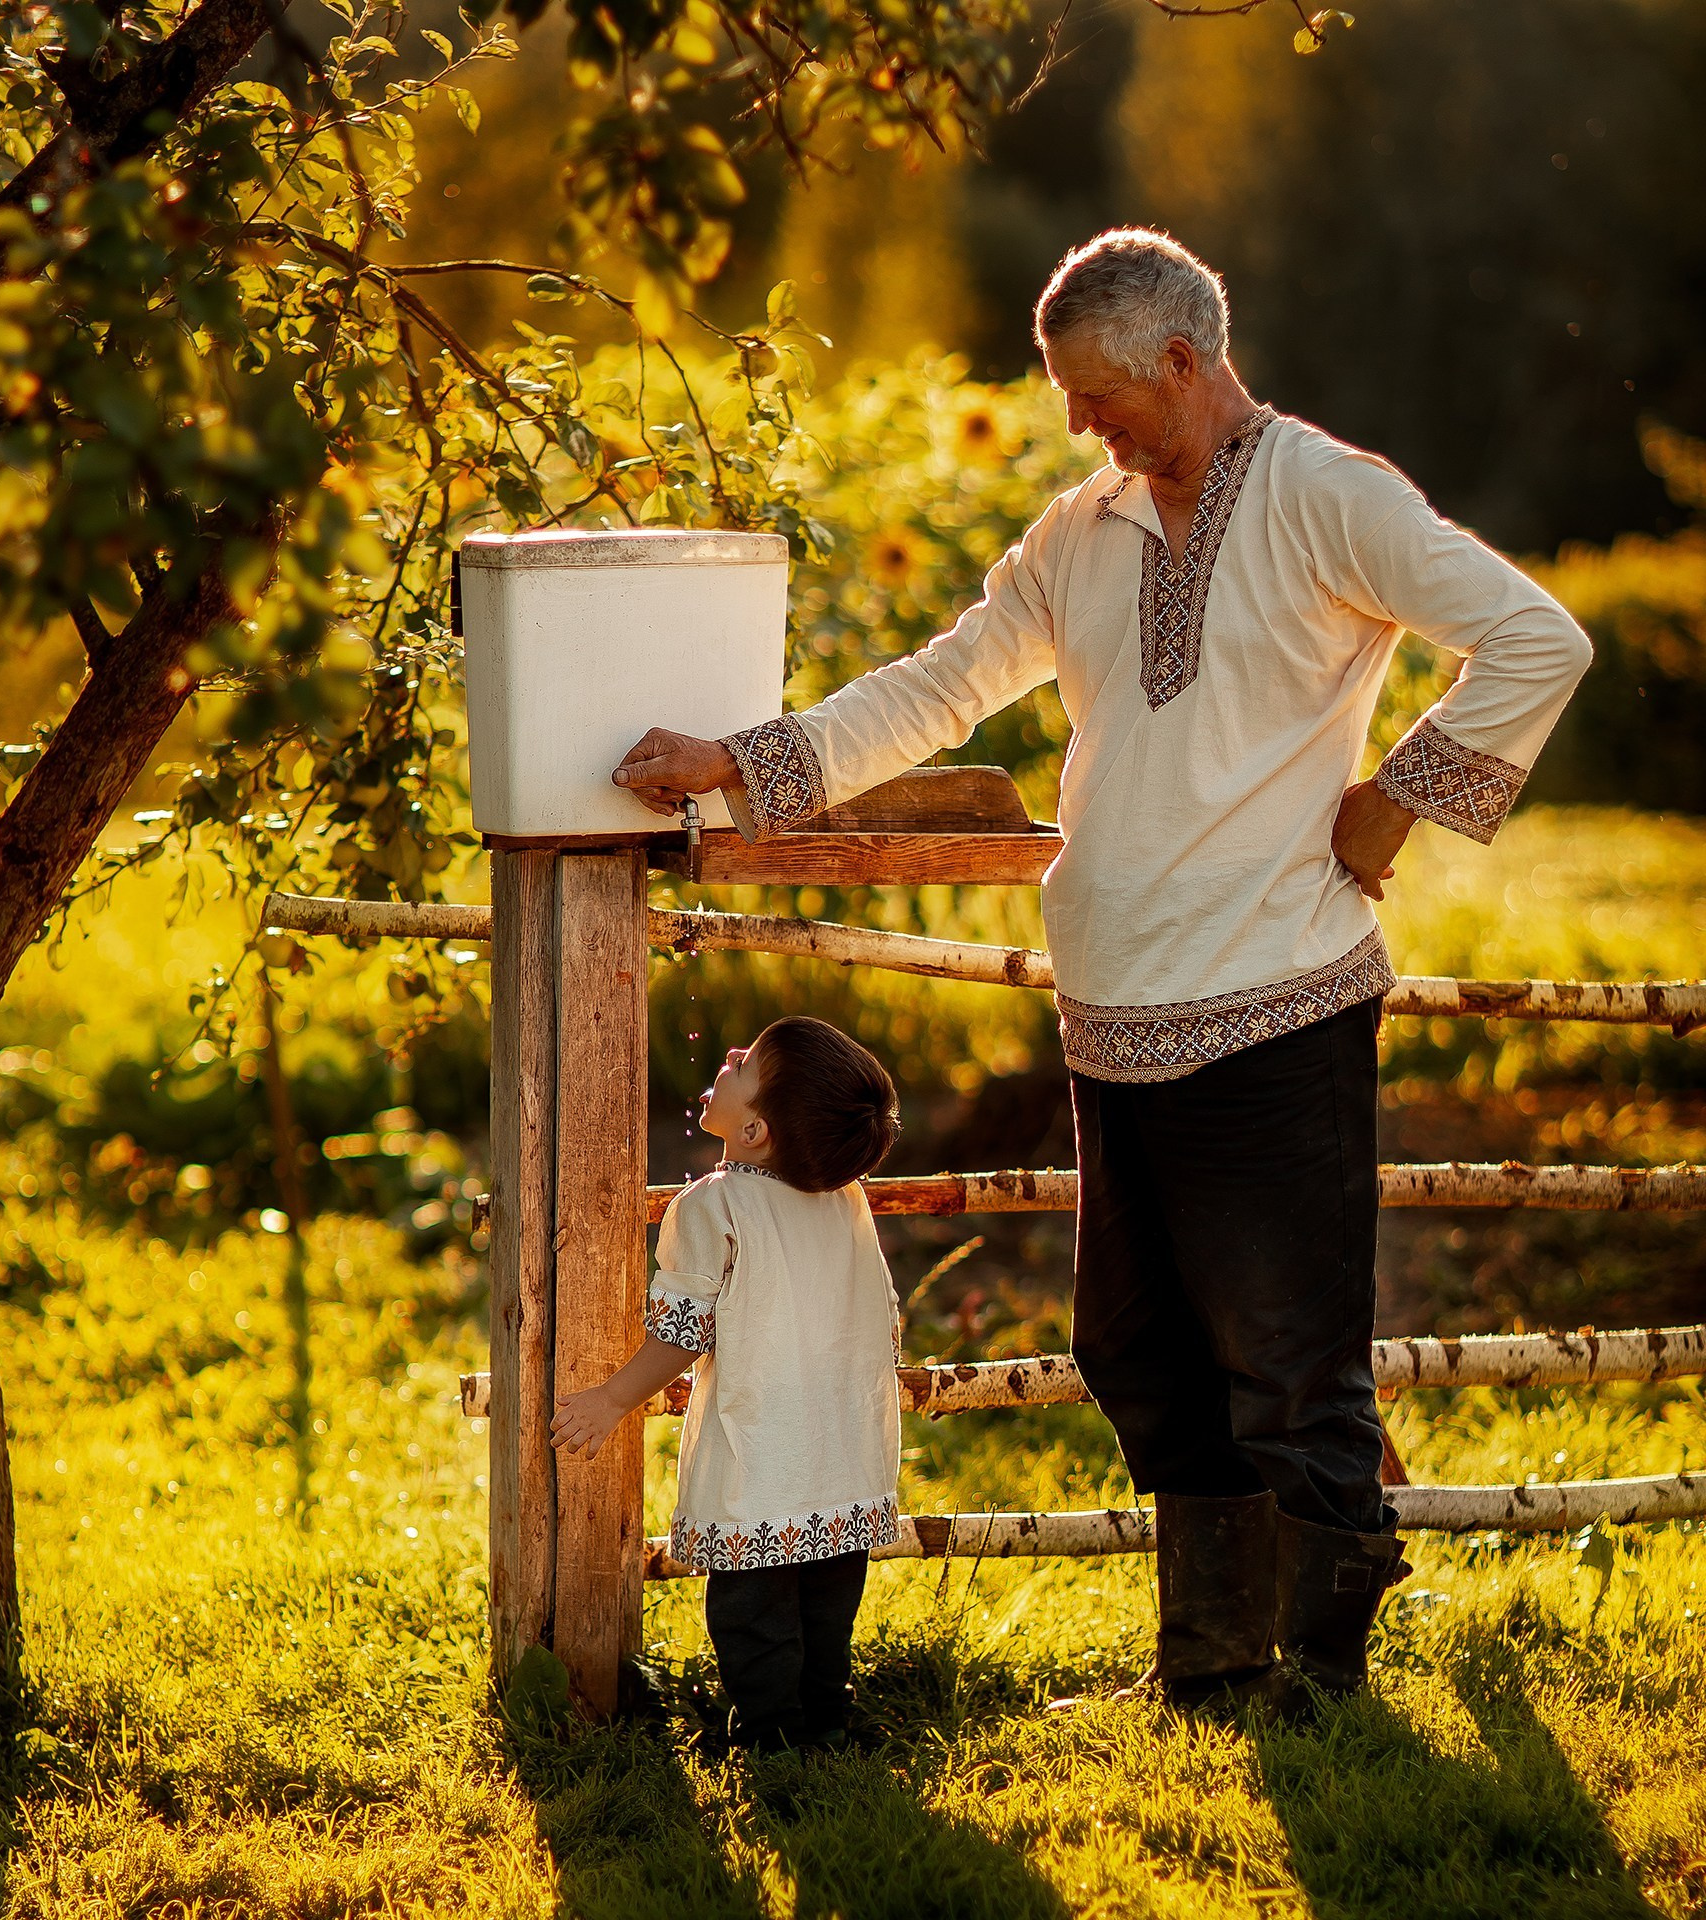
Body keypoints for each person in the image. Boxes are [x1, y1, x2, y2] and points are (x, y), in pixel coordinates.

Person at [606, 229, 1592, 1713]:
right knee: (1135, 1352)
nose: (1079, 424)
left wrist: (1396, 795)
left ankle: (1319, 1686)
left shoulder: (1331, 498)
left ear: (1185, 361)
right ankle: (1209, 1669)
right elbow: (943, 683)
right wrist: (740, 768)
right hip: (1112, 1021)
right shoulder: (1083, 529)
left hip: (1281, 1007)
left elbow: (1536, 637)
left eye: (1096, 393)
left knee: (1288, 1370)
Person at [552, 1015, 903, 1750]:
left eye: (749, 1066)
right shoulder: (847, 1201)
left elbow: (684, 1328)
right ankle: (827, 1722)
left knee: (753, 1608)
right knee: (827, 1605)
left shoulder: (713, 1206)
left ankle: (769, 1736)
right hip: (844, 1449)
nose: (733, 1053)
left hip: (764, 1454)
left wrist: (613, 1398)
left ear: (754, 1134)